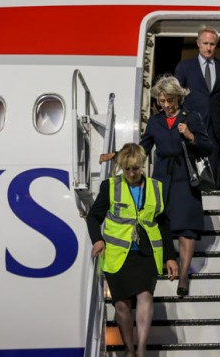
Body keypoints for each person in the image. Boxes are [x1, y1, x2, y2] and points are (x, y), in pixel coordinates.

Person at [86, 143, 178, 357]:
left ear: (142, 165)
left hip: (146, 253)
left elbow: (163, 223)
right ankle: (129, 348)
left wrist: (170, 257)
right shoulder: (111, 186)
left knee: (145, 295)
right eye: (127, 169)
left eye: (135, 169)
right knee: (121, 305)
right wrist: (97, 240)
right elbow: (94, 216)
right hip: (118, 255)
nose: (131, 173)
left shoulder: (156, 187)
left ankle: (142, 348)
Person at [140, 75, 214, 296]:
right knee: (159, 222)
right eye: (162, 101)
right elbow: (143, 148)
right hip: (163, 178)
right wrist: (120, 156)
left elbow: (207, 146)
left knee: (186, 230)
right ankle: (165, 262)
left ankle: (183, 276)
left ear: (178, 97)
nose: (166, 105)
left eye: (169, 100)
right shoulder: (155, 121)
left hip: (185, 178)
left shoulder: (191, 117)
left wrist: (190, 135)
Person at [174, 24, 220, 175]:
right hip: (191, 128)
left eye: (212, 44)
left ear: (216, 45)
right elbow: (176, 97)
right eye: (205, 43)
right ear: (198, 43)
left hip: (215, 129)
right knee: (191, 172)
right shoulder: (184, 67)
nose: (208, 48)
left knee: (213, 172)